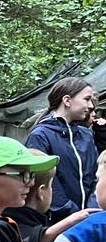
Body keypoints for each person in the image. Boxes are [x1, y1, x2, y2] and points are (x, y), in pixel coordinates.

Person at [26, 76, 99, 221]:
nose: (91, 105)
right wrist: (71, 213)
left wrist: (91, 210)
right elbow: (44, 180)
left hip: (89, 217)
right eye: (87, 99)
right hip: (57, 221)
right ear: (67, 100)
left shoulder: (86, 135)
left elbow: (95, 175)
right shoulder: (40, 135)